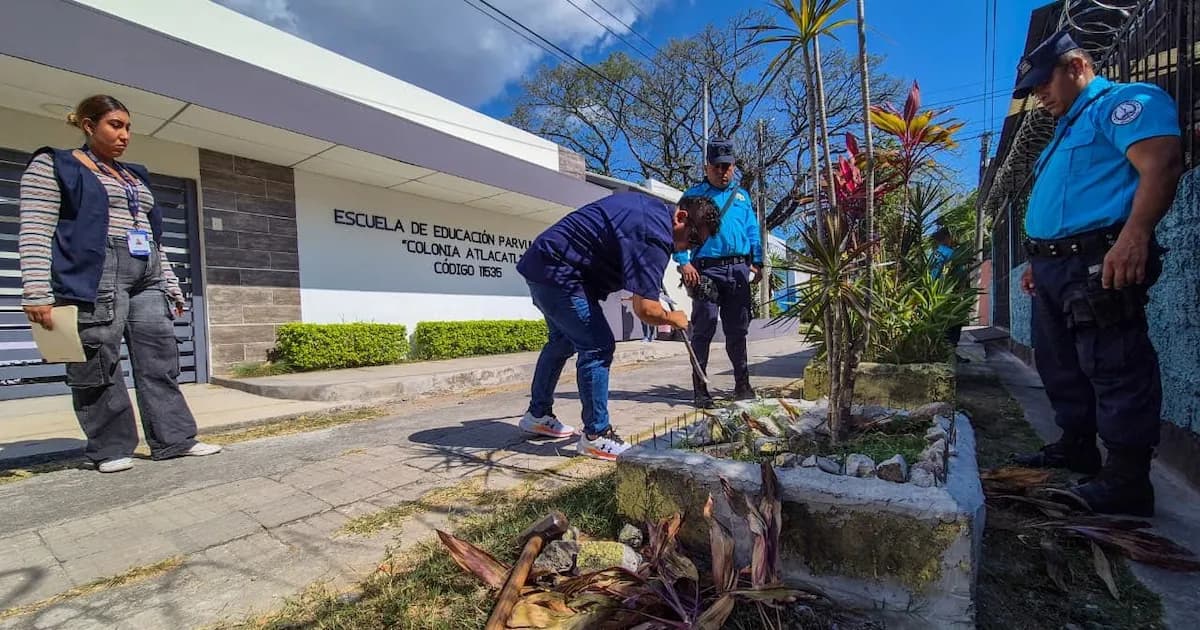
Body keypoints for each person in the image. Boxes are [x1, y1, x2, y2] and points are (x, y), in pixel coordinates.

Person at [1009, 32, 1183, 516]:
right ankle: (1077, 445)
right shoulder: (1065, 128)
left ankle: (1127, 478)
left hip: (1098, 259)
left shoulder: (1125, 103)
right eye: (1033, 89)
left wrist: (1135, 236)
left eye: (1045, 83)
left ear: (1078, 66)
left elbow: (1162, 163)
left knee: (1114, 362)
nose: (1039, 95)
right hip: (1054, 267)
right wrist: (1039, 262)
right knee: (1060, 363)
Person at [19, 95, 223, 473]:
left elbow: (152, 236)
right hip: (95, 271)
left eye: (128, 127)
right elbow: (35, 227)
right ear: (88, 125)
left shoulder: (135, 175)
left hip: (145, 272)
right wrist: (36, 291)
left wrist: (171, 285)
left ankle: (175, 439)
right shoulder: (55, 164)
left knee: (159, 357)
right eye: (115, 125)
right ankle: (110, 448)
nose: (125, 134)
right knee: (100, 359)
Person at [515, 192, 720, 461]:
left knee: (562, 342)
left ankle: (538, 414)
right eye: (692, 239)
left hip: (545, 266)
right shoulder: (655, 235)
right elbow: (645, 309)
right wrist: (674, 319)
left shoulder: (652, 213)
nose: (687, 249)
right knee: (598, 347)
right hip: (559, 274)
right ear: (680, 218)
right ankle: (596, 436)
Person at [675, 139, 763, 408]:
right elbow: (677, 233)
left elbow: (752, 229)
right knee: (703, 329)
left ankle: (742, 385)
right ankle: (700, 390)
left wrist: (757, 261)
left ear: (734, 167)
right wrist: (683, 262)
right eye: (717, 167)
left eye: (728, 166)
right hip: (705, 270)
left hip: (738, 269)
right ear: (707, 167)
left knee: (738, 330)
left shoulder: (742, 196)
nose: (723, 172)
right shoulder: (692, 196)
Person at [929, 226, 966, 349]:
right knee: (955, 322)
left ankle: (941, 350)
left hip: (933, 292)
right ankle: (951, 352)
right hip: (949, 291)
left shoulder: (933, 254)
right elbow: (960, 274)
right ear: (947, 238)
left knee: (938, 322)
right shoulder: (951, 253)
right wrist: (961, 291)